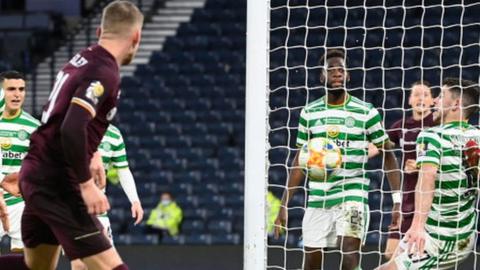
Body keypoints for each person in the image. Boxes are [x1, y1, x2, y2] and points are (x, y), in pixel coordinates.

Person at [0, 1, 144, 269]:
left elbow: (52, 117)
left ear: (100, 30)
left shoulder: (82, 59)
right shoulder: (104, 72)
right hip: (59, 184)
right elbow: (71, 127)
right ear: (136, 37)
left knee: (37, 267)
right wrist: (87, 184)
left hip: (40, 173)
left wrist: (92, 151)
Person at [274, 48, 401, 270]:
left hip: (353, 193)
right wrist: (284, 203)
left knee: (350, 254)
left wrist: (397, 200)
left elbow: (387, 153)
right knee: (311, 262)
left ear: (348, 75)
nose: (336, 73)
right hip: (318, 197)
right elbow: (299, 160)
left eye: (341, 69)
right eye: (330, 69)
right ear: (322, 76)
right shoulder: (309, 113)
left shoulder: (365, 112)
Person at [378, 78, 480, 269]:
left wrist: (416, 226)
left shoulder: (432, 135)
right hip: (460, 232)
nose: (434, 101)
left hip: (442, 238)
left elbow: (427, 179)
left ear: (456, 104)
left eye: (441, 96)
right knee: (392, 260)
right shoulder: (476, 137)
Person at [70, 124, 144, 270]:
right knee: (79, 264)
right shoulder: (72, 127)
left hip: (98, 208)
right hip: (73, 206)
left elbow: (123, 169)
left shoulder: (114, 135)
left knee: (104, 263)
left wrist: (135, 200)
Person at [379, 81, 436, 259]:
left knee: (416, 254)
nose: (421, 98)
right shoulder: (400, 125)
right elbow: (376, 147)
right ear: (409, 100)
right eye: (416, 94)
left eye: (425, 94)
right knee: (391, 253)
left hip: (427, 199)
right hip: (406, 199)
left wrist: (420, 166)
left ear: (433, 101)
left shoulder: (437, 124)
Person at [0, 71, 40, 254]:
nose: (17, 94)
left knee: (22, 259)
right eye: (11, 89)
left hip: (19, 201)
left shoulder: (34, 127)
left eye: (21, 89)